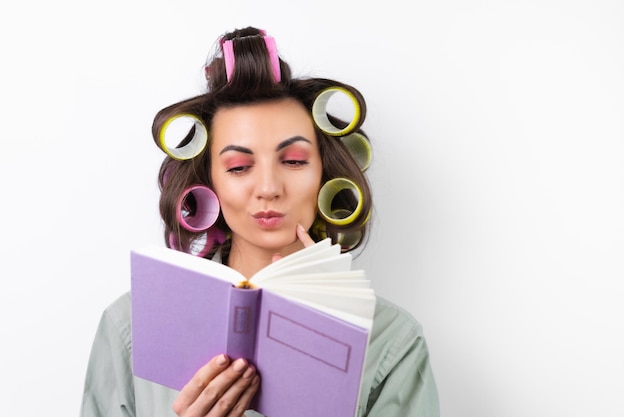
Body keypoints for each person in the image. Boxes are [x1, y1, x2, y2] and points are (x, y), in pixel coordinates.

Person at [80, 26, 440, 417]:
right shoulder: (132, 327)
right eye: (238, 166)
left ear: (326, 173)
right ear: (209, 183)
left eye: (294, 160)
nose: (268, 187)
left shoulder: (392, 343)